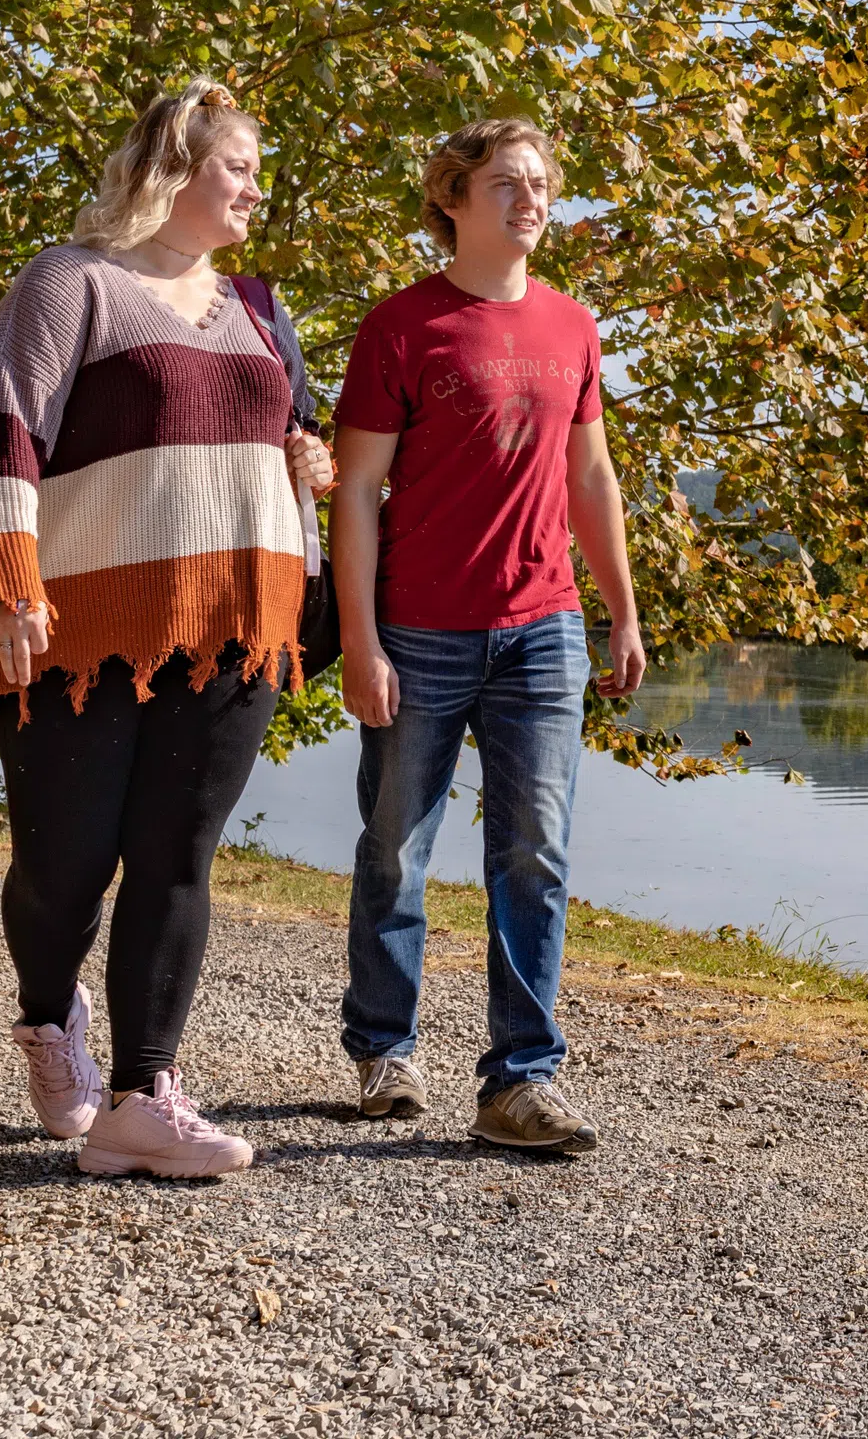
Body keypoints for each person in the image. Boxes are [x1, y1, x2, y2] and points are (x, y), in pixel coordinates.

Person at [0, 79, 333, 1179]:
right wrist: (9, 585)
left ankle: (144, 1094)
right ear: (173, 166)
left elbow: (299, 431)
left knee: (177, 857)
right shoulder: (70, 282)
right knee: (65, 866)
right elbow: (5, 433)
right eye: (239, 164)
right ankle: (49, 1017)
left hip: (236, 623)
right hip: (78, 629)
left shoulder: (261, 306)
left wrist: (308, 459)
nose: (255, 188)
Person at [332, 118, 647, 1150]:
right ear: (452, 198)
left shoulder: (574, 327)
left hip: (542, 629)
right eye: (507, 181)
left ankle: (520, 1082)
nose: (532, 198)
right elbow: (358, 492)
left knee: (536, 853)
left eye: (543, 182)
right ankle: (386, 1050)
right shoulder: (401, 328)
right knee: (395, 846)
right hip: (418, 631)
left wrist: (622, 609)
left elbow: (590, 476)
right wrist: (363, 639)